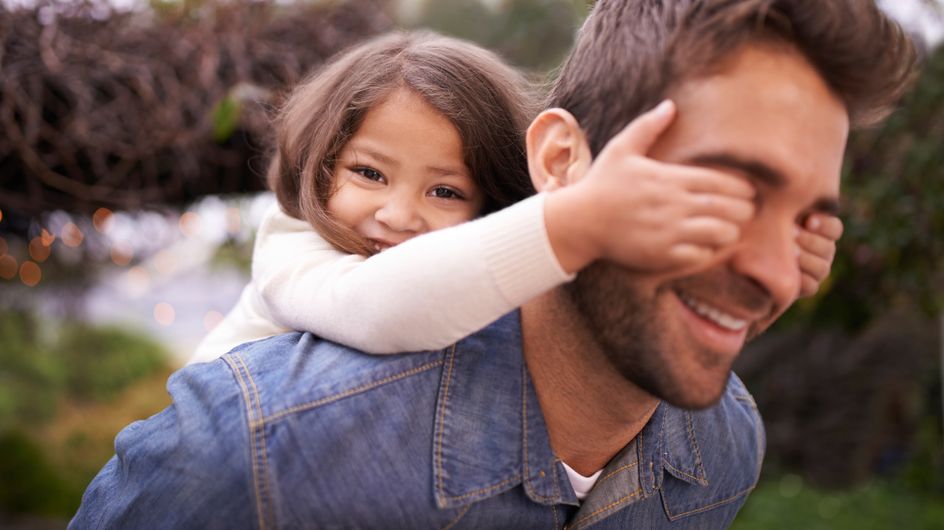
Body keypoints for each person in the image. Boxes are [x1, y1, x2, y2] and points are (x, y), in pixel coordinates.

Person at [70, 1, 915, 528]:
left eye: (807, 222)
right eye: (720, 194)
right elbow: (384, 308)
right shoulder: (258, 448)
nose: (776, 270)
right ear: (557, 166)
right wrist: (578, 222)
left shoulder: (725, 450)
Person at [190, 30, 833, 364]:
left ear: (491, 201)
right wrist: (577, 221)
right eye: (369, 174)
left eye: (445, 189)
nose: (398, 213)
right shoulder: (293, 244)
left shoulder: (467, 267)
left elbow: (603, 330)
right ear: (321, 167)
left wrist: (756, 276)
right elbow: (379, 311)